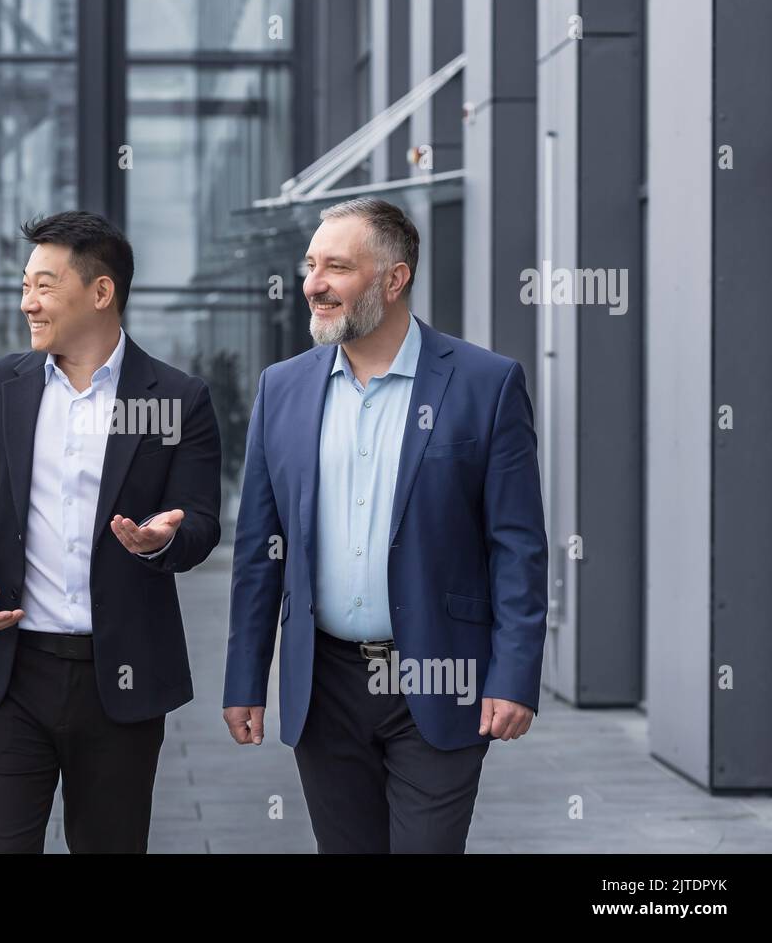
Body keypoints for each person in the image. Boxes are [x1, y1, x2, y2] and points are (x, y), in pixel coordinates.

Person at [223, 197, 547, 853]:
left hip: (438, 674)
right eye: (311, 264)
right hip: (325, 684)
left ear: (393, 280)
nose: (313, 282)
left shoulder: (486, 384)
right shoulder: (280, 390)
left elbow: (516, 546)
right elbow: (260, 550)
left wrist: (514, 675)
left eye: (337, 266)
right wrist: (245, 678)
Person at [0, 211, 222, 852]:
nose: (28, 302)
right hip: (9, 674)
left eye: (44, 286)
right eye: (25, 285)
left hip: (122, 680)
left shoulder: (177, 399)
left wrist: (163, 539)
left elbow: (203, 523)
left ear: (100, 293)